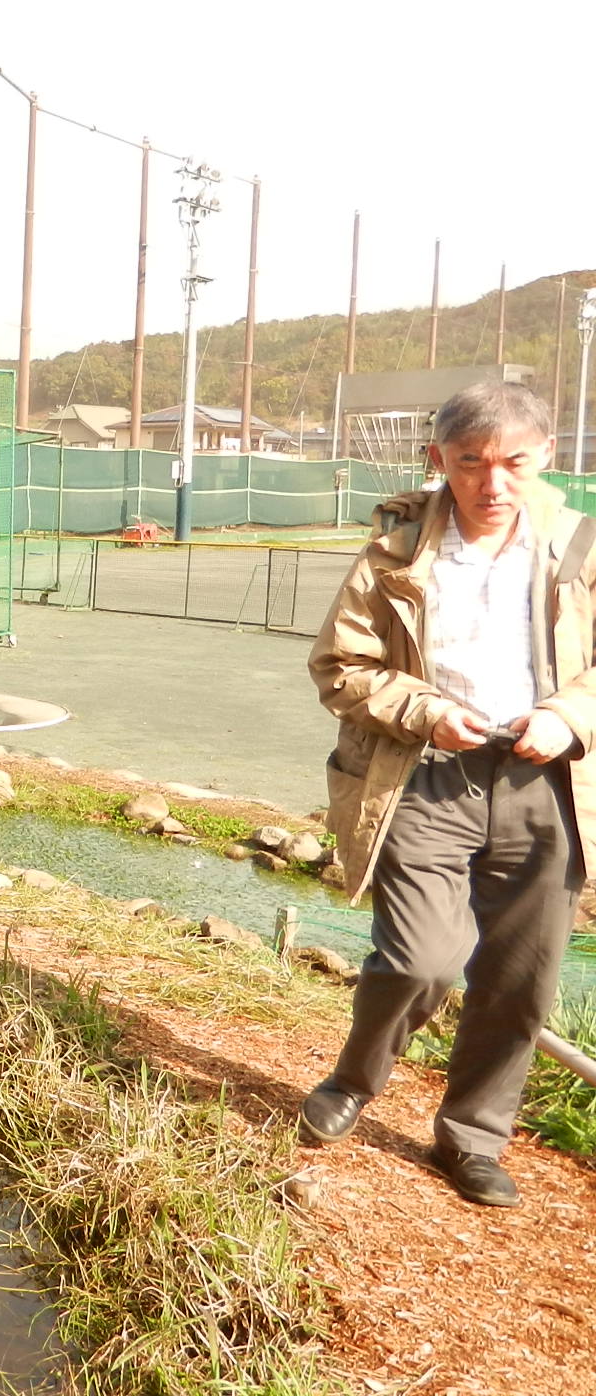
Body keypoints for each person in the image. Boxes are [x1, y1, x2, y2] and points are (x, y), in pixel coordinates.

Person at [303, 381, 596, 1208]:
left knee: (521, 975)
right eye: (470, 462)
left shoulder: (580, 545)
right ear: (439, 461)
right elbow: (341, 667)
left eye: (512, 462)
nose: (491, 483)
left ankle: (471, 1136)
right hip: (426, 774)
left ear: (545, 458)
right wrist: (427, 712)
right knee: (419, 958)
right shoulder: (396, 547)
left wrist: (570, 716)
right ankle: (355, 1079)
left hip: (547, 780)